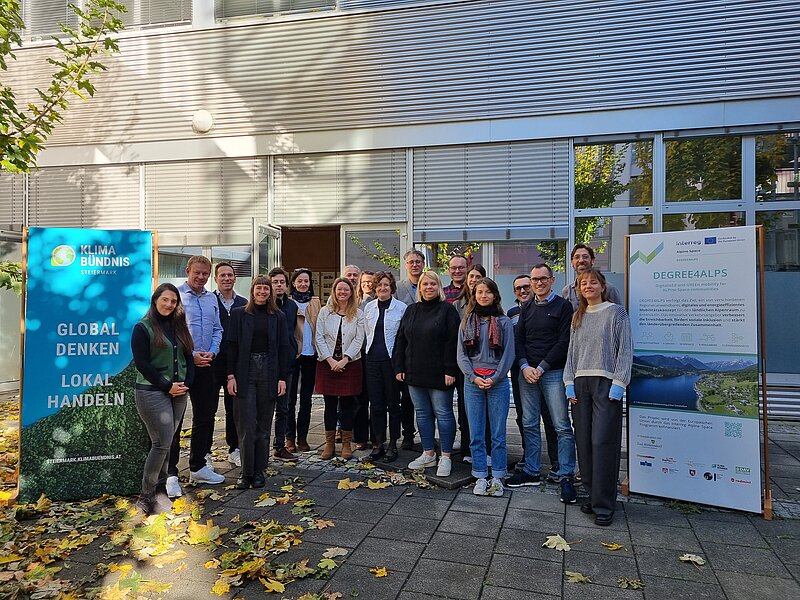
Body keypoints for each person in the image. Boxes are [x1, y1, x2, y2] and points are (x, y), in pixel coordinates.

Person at [565, 268, 632, 526]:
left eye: (593, 282)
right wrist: (569, 382)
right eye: (584, 283)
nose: (588, 286)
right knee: (583, 442)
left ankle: (605, 504)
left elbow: (625, 349)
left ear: (602, 286)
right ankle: (592, 497)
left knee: (603, 442)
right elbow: (571, 353)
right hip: (580, 384)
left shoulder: (616, 312)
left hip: (606, 383)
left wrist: (619, 383)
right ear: (579, 288)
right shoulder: (577, 316)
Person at [508, 263, 578, 506]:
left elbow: (563, 342)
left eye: (542, 279)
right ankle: (532, 470)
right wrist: (526, 366)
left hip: (552, 373)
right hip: (527, 372)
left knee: (560, 425)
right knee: (528, 422)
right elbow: (518, 340)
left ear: (552, 280)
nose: (538, 283)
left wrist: (541, 367)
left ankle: (566, 473)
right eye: (535, 279)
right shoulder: (526, 308)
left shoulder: (563, 306)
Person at [131, 284, 194, 515]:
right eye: (165, 300)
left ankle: (160, 492)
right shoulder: (143, 327)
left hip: (178, 393)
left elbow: (189, 357)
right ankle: (145, 497)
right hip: (152, 391)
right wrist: (167, 385)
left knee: (168, 444)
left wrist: (187, 385)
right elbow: (142, 364)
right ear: (155, 300)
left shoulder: (178, 326)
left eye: (173, 301)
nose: (169, 304)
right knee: (160, 444)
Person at [393, 271, 460, 477]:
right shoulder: (412, 310)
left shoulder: (447, 310)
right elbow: (401, 340)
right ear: (419, 288)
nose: (428, 287)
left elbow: (453, 342)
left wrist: (451, 369)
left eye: (432, 284)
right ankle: (428, 453)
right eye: (424, 284)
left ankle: (446, 456)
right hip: (414, 372)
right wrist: (399, 367)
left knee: (444, 414)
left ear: (438, 287)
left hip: (440, 374)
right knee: (421, 414)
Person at [226, 277, 290, 489]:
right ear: (252, 291)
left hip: (269, 372)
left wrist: (282, 377)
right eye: (259, 288)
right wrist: (230, 376)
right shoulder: (238, 314)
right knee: (246, 425)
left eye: (266, 288)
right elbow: (231, 346)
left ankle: (260, 470)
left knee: (263, 425)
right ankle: (246, 472)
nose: (262, 292)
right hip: (245, 372)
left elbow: (283, 348)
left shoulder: (278, 316)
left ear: (270, 292)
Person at [170, 256, 225, 495]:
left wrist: (212, 352)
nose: (201, 277)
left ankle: (199, 465)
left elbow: (218, 329)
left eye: (205, 274)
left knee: (205, 416)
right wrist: (191, 354)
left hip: (207, 365)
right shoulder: (176, 296)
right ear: (187, 271)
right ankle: (170, 472)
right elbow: (171, 331)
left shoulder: (212, 298)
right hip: (182, 365)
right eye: (197, 273)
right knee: (175, 420)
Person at [457, 278, 515, 497]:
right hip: (473, 383)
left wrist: (497, 377)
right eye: (479, 292)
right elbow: (461, 355)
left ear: (495, 295)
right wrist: (473, 377)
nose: (483, 295)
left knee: (498, 433)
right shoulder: (466, 322)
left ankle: (498, 475)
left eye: (487, 292)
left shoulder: (504, 322)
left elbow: (509, 353)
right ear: (474, 296)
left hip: (497, 382)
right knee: (476, 432)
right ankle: (480, 474)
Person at [507, 274, 559, 477]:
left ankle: (556, 461)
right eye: (518, 288)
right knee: (524, 418)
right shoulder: (511, 313)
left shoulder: (550, 309)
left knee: (551, 418)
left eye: (526, 286)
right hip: (521, 371)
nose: (523, 291)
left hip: (547, 370)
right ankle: (528, 457)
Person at [315, 277, 366, 460]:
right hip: (327, 364)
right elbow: (319, 337)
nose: (342, 292)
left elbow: (359, 339)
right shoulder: (324, 312)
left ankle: (346, 444)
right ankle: (329, 444)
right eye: (339, 289)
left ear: (351, 292)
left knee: (347, 405)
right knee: (329, 405)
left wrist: (345, 359)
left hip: (350, 364)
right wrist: (330, 360)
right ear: (334, 292)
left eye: (346, 289)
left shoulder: (358, 314)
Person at [363, 271, 407, 463]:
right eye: (379, 285)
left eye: (386, 285)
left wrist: (401, 365)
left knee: (393, 404)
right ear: (375, 288)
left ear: (392, 288)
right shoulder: (369, 308)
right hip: (372, 361)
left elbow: (403, 338)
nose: (382, 288)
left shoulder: (401, 308)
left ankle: (393, 444)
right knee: (376, 404)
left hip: (391, 362)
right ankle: (378, 443)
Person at [213, 262, 247, 469]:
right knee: (207, 410)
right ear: (216, 279)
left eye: (230, 275)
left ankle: (235, 448)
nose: (226, 278)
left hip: (235, 364)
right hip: (212, 362)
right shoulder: (208, 301)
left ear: (235, 278)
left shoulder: (243, 303)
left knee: (234, 408)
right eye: (222, 275)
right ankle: (204, 453)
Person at [453, 263, 488, 462]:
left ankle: (487, 448)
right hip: (464, 362)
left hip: (485, 362)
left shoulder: (488, 301)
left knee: (487, 410)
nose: (474, 280)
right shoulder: (458, 304)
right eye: (471, 277)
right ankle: (467, 448)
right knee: (466, 407)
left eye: (477, 276)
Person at [287, 268, 322, 453]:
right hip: (293, 356)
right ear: (293, 283)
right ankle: (289, 437)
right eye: (299, 281)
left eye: (306, 281)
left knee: (307, 400)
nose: (303, 284)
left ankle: (303, 437)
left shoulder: (316, 302)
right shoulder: (287, 302)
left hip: (311, 355)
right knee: (290, 399)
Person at [395, 249, 424, 449]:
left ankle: (427, 435)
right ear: (405, 265)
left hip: (427, 349)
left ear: (423, 264)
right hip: (405, 347)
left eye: (418, 261)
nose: (415, 265)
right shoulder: (397, 288)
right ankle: (407, 434)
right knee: (406, 397)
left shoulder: (429, 284)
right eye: (411, 262)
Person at [270, 267, 299, 461]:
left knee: (284, 407)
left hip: (287, 363)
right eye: (275, 282)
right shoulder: (264, 305)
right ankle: (259, 445)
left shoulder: (292, 306)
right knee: (263, 409)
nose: (279, 285)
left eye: (282, 282)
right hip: (265, 364)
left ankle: (280, 446)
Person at [561, 244, 623, 310]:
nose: (581, 260)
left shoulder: (609, 289)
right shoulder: (567, 291)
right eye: (577, 257)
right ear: (572, 262)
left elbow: (619, 315)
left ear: (592, 261)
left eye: (585, 257)